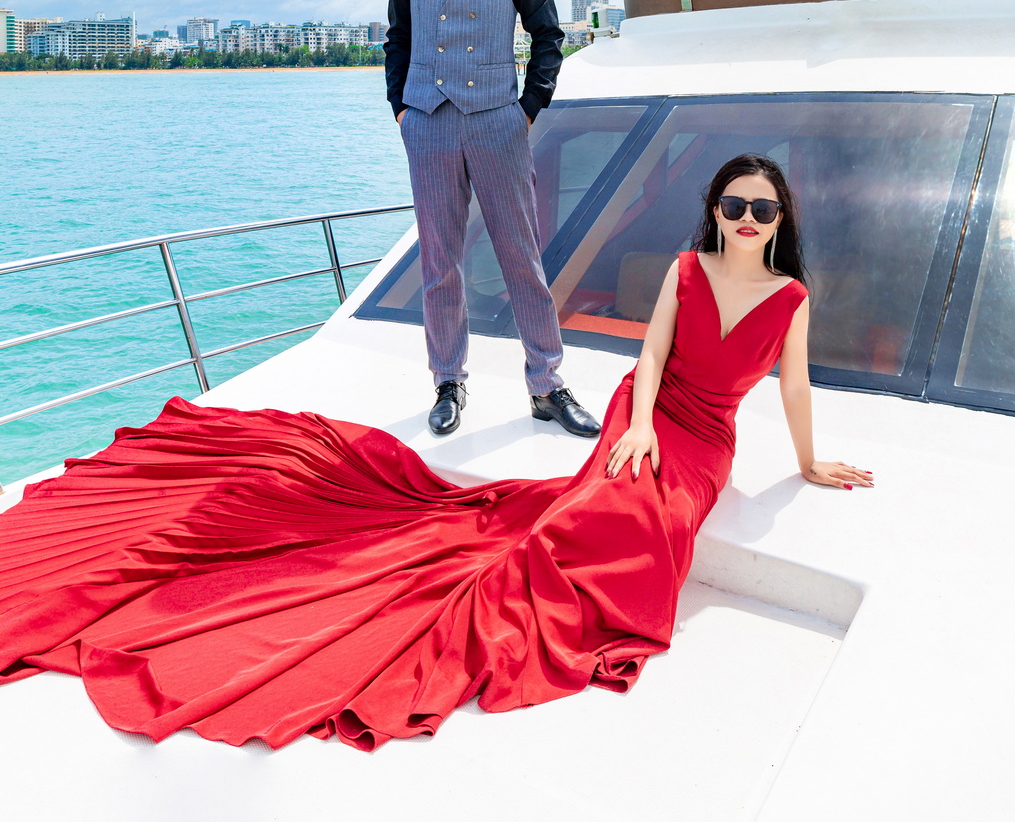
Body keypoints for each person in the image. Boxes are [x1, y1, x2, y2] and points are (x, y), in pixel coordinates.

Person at [0, 154, 872, 752]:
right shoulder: (685, 268)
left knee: (655, 513)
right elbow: (648, 358)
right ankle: (544, 556)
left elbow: (793, 388)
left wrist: (807, 461)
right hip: (647, 412)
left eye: (762, 209)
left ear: (779, 219)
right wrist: (637, 423)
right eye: (733, 205)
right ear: (714, 210)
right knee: (619, 489)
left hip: (707, 436)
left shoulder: (790, 296)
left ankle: (556, 566)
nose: (746, 219)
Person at [384, 0, 600, 439]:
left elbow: (548, 37)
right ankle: (447, 382)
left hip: (498, 123)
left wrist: (528, 108)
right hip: (427, 123)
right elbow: (398, 39)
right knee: (438, 262)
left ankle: (546, 385)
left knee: (520, 257)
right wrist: (400, 109)